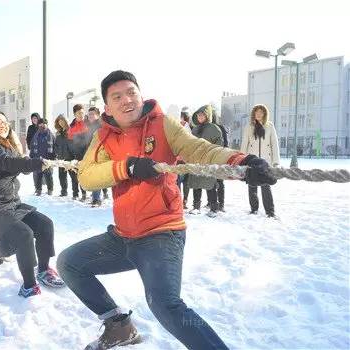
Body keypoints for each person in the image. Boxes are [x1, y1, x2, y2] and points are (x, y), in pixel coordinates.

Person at [56, 70, 276, 350]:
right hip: (123, 237)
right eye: (117, 97)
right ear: (107, 107)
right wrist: (127, 166)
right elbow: (86, 176)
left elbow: (202, 150)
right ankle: (119, 327)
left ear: (141, 94)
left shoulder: (163, 124)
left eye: (131, 92)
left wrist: (243, 162)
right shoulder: (104, 136)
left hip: (161, 234)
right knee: (69, 263)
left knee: (164, 304)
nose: (126, 100)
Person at [0, 111, 64, 297]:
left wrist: (37, 162)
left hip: (9, 202)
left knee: (45, 225)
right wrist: (34, 163)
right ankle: (29, 286)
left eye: (5, 122)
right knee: (24, 234)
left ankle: (43, 270)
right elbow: (5, 162)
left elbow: (20, 165)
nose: (3, 125)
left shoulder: (7, 144)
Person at [241, 104, 280, 217]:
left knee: (266, 185)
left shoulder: (270, 126)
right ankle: (254, 209)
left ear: (264, 114)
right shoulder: (249, 126)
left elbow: (274, 144)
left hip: (265, 161)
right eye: (256, 112)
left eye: (261, 112)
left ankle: (270, 212)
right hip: (252, 160)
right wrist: (242, 160)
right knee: (252, 185)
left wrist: (275, 161)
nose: (258, 114)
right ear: (254, 113)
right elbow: (244, 143)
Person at [186, 105, 223, 218]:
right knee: (196, 183)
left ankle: (213, 208)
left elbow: (219, 145)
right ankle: (196, 207)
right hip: (196, 160)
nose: (200, 117)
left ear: (207, 116)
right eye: (198, 115)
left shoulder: (214, 129)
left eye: (202, 115)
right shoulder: (195, 129)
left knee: (210, 184)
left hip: (208, 161)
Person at [86, 107, 108, 206]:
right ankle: (103, 193)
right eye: (89, 114)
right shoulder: (89, 126)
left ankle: (96, 199)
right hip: (91, 153)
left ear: (98, 115)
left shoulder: (101, 125)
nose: (90, 116)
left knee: (96, 175)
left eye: (92, 114)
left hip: (100, 153)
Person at [68, 104, 89, 201]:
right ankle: (83, 193)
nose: (81, 115)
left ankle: (102, 193)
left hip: (89, 152)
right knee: (79, 174)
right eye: (79, 113)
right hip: (78, 154)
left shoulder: (89, 123)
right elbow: (70, 142)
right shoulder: (72, 127)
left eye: (82, 112)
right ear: (74, 114)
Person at [30, 118, 55, 196]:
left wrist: (53, 156)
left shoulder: (51, 135)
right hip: (38, 158)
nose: (41, 125)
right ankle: (38, 190)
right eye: (40, 124)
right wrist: (32, 155)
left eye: (43, 124)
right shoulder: (36, 134)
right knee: (38, 175)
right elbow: (32, 145)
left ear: (46, 124)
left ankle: (50, 190)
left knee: (48, 175)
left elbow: (55, 146)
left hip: (48, 158)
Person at [53, 114, 72, 197]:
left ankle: (76, 193)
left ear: (65, 121)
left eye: (62, 121)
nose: (61, 123)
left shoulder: (70, 131)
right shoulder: (58, 133)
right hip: (61, 158)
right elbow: (55, 145)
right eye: (59, 121)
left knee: (73, 177)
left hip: (70, 158)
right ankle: (64, 191)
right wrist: (57, 152)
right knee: (61, 177)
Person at [177, 107, 191, 208]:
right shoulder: (174, 127)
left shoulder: (188, 128)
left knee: (186, 181)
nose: (180, 119)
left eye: (181, 117)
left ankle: (185, 201)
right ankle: (178, 201)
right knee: (177, 180)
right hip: (176, 159)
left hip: (186, 158)